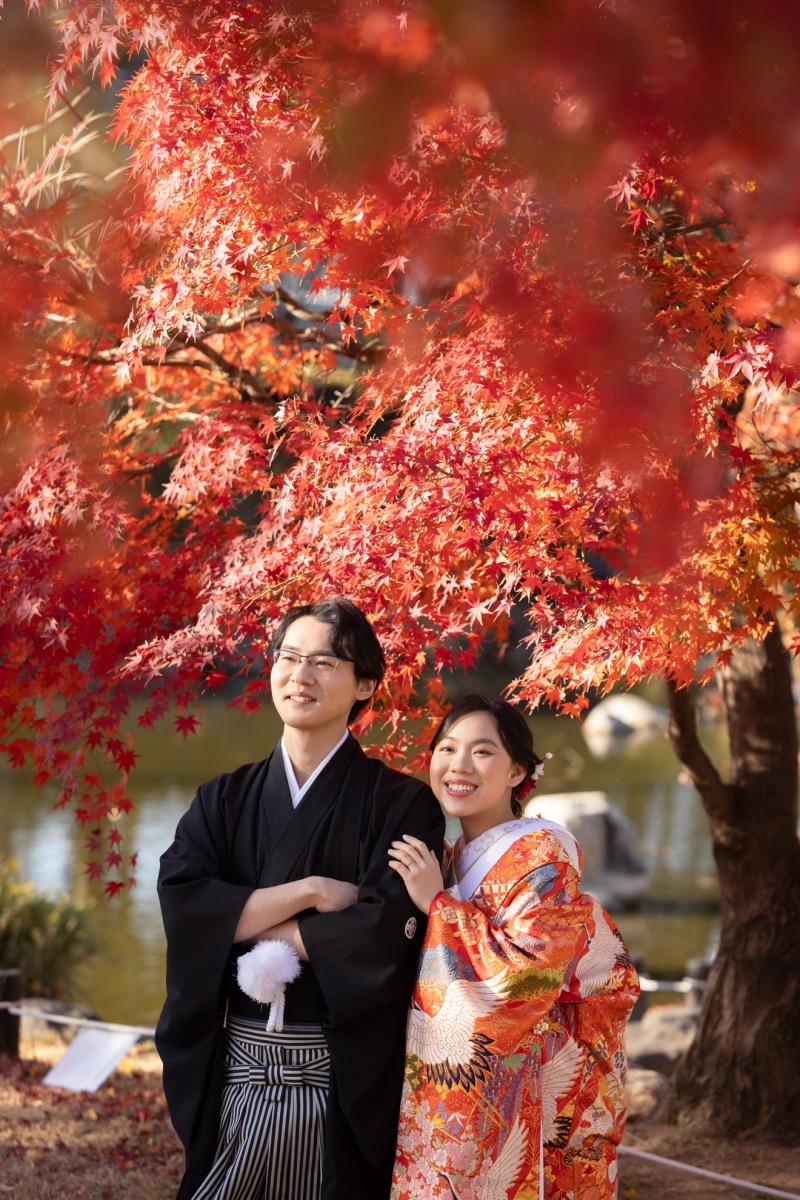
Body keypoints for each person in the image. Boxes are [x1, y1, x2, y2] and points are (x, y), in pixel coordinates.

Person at [156, 597, 445, 1200]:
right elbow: (185, 905)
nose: (300, 675)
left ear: (365, 683)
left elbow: (381, 929)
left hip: (339, 1073)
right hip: (234, 1062)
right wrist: (309, 892)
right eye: (288, 657)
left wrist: (241, 923)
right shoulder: (223, 798)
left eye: (324, 662)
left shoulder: (402, 804)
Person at [388, 695, 640, 1200]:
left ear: (517, 771)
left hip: (533, 1080)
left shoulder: (544, 850)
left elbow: (528, 978)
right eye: (447, 748)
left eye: (482, 752)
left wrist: (438, 906)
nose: (459, 765)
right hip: (458, 1082)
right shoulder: (449, 855)